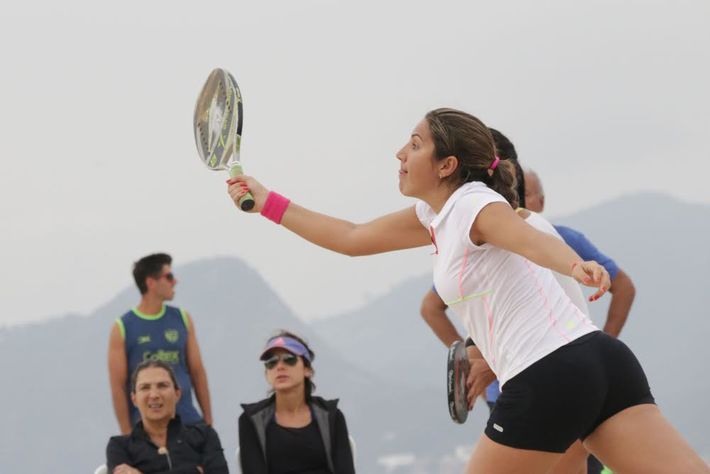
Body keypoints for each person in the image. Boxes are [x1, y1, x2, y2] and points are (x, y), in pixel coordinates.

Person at [226, 108, 709, 474]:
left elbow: (523, 235)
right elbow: (351, 238)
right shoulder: (435, 217)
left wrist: (576, 264)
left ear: (446, 164)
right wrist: (266, 202)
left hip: (549, 373)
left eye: (414, 145)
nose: (400, 154)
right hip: (601, 362)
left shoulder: (473, 203)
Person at [108, 253, 213, 435]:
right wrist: (127, 434)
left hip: (188, 422)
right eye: (169, 277)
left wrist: (208, 420)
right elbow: (118, 386)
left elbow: (197, 371)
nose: (175, 282)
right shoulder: (122, 327)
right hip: (146, 429)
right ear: (151, 282)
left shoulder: (182, 318)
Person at [525, 168, 636, 337]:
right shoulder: (490, 243)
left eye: (524, 194)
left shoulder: (565, 238)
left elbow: (624, 287)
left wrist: (606, 342)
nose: (517, 199)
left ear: (542, 202)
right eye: (512, 192)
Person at [238, 331, 355, 474]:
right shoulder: (251, 420)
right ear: (267, 374)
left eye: (289, 359)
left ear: (307, 370)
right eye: (271, 362)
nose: (279, 366)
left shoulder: (331, 416)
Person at [106, 360, 228, 473]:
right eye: (145, 388)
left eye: (162, 386)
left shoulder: (204, 436)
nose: (154, 395)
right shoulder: (119, 446)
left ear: (177, 394)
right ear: (134, 399)